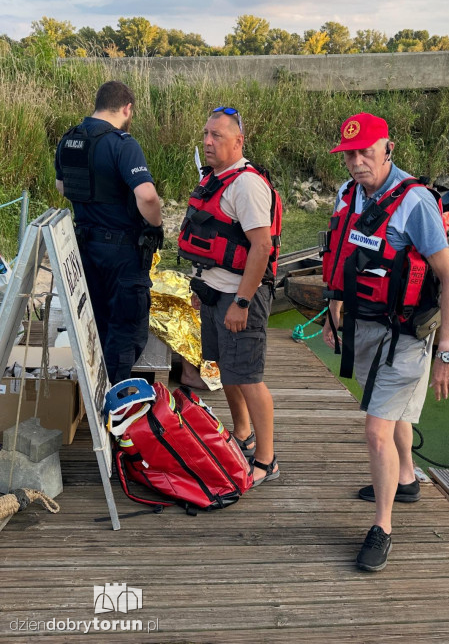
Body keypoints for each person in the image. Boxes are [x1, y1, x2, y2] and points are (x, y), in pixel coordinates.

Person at [322, 112, 449, 572]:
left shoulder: (415, 203)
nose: (358, 162)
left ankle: (382, 527)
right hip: (365, 328)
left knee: (375, 429)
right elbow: (346, 253)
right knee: (391, 412)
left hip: (406, 337)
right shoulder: (351, 194)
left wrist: (447, 352)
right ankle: (406, 479)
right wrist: (334, 307)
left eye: (367, 151)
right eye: (349, 155)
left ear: (389, 148)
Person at [178, 106, 281, 486]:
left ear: (238, 142)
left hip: (240, 297)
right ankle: (243, 433)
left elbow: (261, 247)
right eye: (205, 133)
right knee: (226, 370)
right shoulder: (214, 180)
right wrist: (199, 288)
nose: (207, 141)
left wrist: (241, 302)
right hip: (213, 292)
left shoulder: (247, 184)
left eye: (217, 135)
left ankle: (267, 461)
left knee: (250, 377)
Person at [55, 80, 163, 384]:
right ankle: (114, 406)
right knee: (126, 328)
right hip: (122, 251)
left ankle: (93, 389)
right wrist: (155, 225)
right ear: (127, 108)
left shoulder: (68, 139)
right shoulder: (122, 143)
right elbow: (147, 196)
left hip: (84, 249)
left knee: (95, 321)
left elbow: (62, 187)